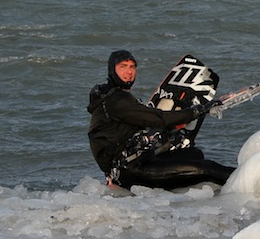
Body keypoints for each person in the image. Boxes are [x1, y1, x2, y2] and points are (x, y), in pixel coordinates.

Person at [87, 50, 234, 190]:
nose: (129, 72)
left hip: (137, 160)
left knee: (194, 154)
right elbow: (159, 118)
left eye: (132, 67)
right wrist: (198, 110)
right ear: (112, 70)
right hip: (132, 171)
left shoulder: (109, 96)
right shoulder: (117, 101)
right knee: (206, 169)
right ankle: (249, 182)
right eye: (123, 67)